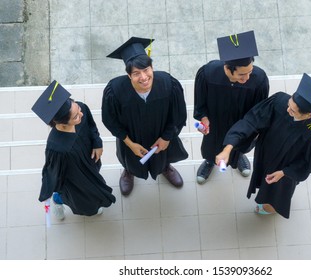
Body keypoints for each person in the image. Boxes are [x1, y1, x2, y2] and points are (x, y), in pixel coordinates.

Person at [216, 73, 311, 219]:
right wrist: (229, 146)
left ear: (308, 115)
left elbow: (308, 163)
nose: (287, 109)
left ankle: (270, 207)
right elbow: (251, 121)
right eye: (289, 104)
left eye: (293, 111)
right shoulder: (279, 101)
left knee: (277, 191)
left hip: (284, 168)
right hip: (265, 154)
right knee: (262, 177)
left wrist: (284, 172)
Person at [102, 37, 188, 196]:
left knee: (162, 156)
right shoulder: (114, 90)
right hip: (132, 137)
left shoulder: (168, 83)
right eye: (136, 73)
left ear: (152, 67)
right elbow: (110, 120)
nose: (143, 77)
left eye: (146, 70)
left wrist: (167, 137)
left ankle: (165, 167)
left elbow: (178, 114)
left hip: (161, 134)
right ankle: (129, 171)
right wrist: (129, 143)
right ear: (128, 75)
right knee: (131, 160)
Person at [31, 81, 116, 220]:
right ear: (62, 123)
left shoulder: (80, 108)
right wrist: (49, 189)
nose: (81, 115)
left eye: (78, 109)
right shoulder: (56, 147)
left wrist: (97, 143)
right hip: (74, 178)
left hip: (89, 160)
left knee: (94, 190)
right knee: (82, 200)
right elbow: (53, 171)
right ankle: (57, 200)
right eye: (76, 116)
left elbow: (91, 126)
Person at [193, 30, 269, 184]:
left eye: (250, 72)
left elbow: (259, 112)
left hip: (242, 124)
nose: (247, 78)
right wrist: (203, 118)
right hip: (215, 123)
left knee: (239, 145)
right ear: (227, 68)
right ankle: (209, 161)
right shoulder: (207, 74)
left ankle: (239, 156)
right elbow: (200, 103)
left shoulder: (259, 80)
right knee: (211, 147)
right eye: (242, 75)